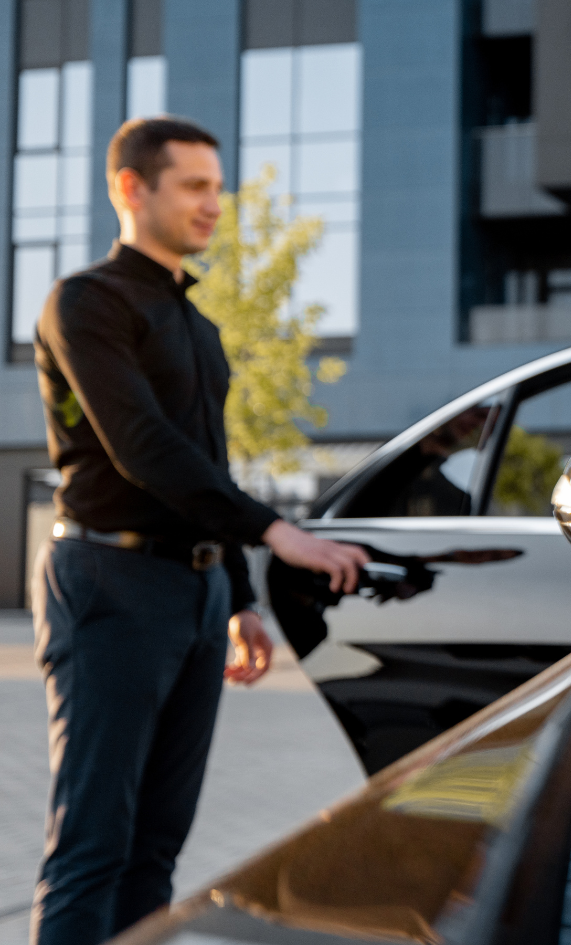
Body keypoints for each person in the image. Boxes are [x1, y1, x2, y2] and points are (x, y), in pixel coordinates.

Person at [28, 116, 370, 945]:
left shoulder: (201, 328)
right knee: (93, 846)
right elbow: (143, 447)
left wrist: (237, 593)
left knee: (157, 849)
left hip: (192, 590)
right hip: (109, 583)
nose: (213, 203)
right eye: (193, 185)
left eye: (217, 186)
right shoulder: (86, 303)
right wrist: (276, 532)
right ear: (129, 188)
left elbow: (204, 465)